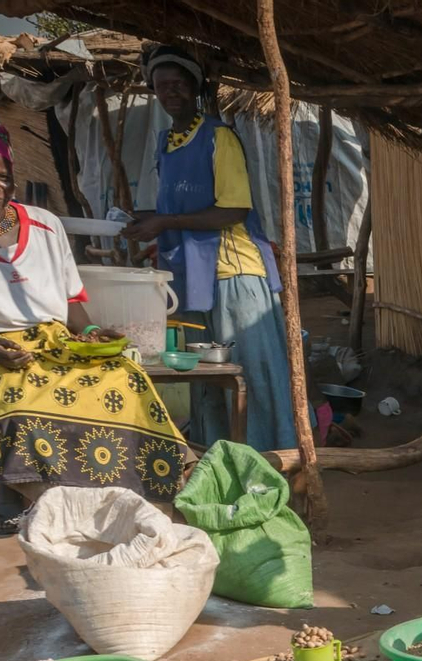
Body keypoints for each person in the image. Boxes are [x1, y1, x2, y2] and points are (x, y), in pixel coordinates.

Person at [0, 116, 189, 509]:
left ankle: (141, 491)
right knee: (21, 404)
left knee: (125, 379)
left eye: (2, 175)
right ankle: (28, 499)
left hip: (59, 342)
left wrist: (93, 330)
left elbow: (71, 300)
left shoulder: (46, 225)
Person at [121, 46, 295, 450]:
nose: (171, 92)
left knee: (250, 374)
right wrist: (145, 218)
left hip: (233, 273)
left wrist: (163, 222)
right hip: (190, 275)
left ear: (195, 88)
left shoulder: (218, 137)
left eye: (179, 84)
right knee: (207, 376)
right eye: (162, 86)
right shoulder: (167, 141)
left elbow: (233, 209)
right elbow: (179, 207)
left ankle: (272, 456)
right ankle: (221, 456)